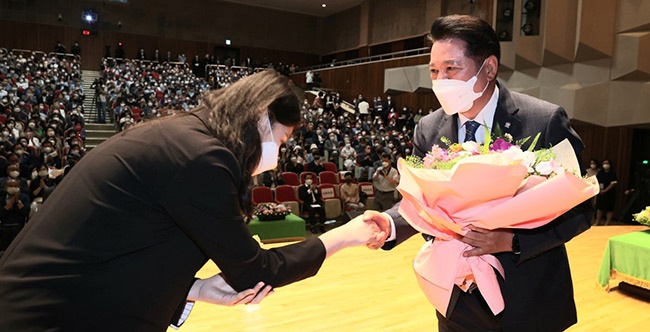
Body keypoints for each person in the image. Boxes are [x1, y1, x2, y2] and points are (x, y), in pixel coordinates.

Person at [0, 71, 384, 331]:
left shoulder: (183, 137)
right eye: (281, 141)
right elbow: (256, 271)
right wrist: (347, 235)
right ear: (261, 118)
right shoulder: (201, 157)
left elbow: (129, 247)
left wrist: (193, 289)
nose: (277, 156)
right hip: (50, 316)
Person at [363, 15, 593, 332]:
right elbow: (418, 203)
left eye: (451, 69)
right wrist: (389, 223)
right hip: (457, 300)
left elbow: (581, 211)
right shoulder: (428, 129)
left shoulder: (542, 120)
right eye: (434, 71)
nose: (440, 80)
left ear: (488, 68)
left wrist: (511, 241)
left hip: (528, 300)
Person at [595, 159, 617, 225]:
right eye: (604, 163)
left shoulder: (612, 173)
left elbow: (614, 183)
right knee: (599, 207)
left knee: (609, 208)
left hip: (609, 193)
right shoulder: (600, 172)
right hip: (601, 192)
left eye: (607, 163)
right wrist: (600, 190)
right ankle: (597, 221)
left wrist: (605, 190)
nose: (605, 165)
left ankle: (607, 223)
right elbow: (597, 181)